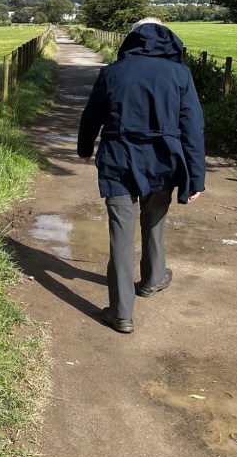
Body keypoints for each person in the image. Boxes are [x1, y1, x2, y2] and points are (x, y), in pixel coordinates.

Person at [77, 18, 206, 333]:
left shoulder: (112, 72)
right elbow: (192, 128)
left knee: (120, 237)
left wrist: (84, 148)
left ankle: (121, 313)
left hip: (119, 160)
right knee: (155, 222)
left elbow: (92, 114)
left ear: (131, 39)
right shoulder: (180, 74)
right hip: (164, 162)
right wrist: (196, 178)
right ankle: (151, 280)